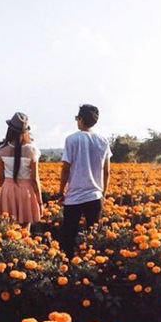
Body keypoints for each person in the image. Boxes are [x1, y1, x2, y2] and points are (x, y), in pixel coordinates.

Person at [58, 104, 111, 258]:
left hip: (74, 196)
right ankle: (92, 265)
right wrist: (104, 193)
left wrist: (61, 191)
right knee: (93, 236)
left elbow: (66, 169)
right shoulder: (103, 141)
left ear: (80, 119)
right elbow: (107, 170)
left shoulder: (72, 139)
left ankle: (68, 266)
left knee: (69, 236)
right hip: (95, 196)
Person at [0, 112, 43, 230]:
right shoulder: (32, 150)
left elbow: (1, 178)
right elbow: (34, 180)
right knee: (25, 227)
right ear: (25, 131)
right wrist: (40, 201)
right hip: (26, 191)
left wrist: (8, 187)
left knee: (8, 227)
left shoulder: (1, 150)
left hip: (7, 190)